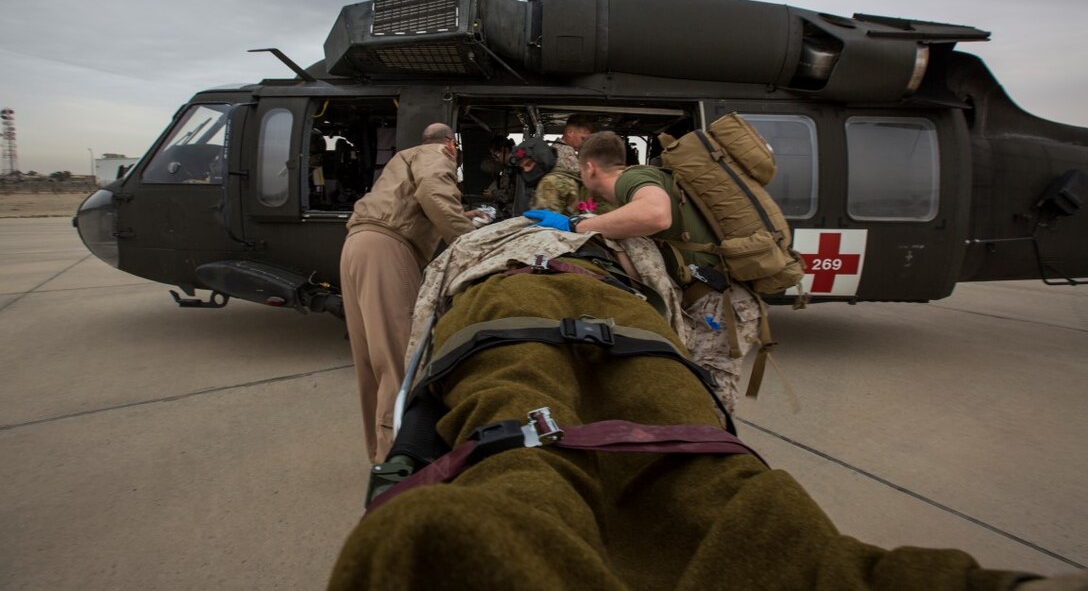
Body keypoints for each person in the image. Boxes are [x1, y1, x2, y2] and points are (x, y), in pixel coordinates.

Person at [328, 221, 1070, 589]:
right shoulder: (612, 242)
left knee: (514, 433)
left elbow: (433, 309)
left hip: (506, 294)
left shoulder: (493, 237)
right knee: (698, 464)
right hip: (624, 311)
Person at [564, 130, 765, 415]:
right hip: (710, 302)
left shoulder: (631, 180)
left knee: (708, 402)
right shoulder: (633, 189)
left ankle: (712, 457)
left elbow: (656, 215)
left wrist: (577, 226)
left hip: (722, 305)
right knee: (687, 389)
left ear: (590, 167)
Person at [339, 122, 478, 464]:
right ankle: (399, 465)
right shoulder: (437, 154)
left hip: (359, 245)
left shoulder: (405, 156)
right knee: (402, 362)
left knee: (374, 363)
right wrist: (472, 244)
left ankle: (379, 455)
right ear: (451, 144)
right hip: (388, 248)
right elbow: (433, 191)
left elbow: (416, 201)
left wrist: (461, 215)